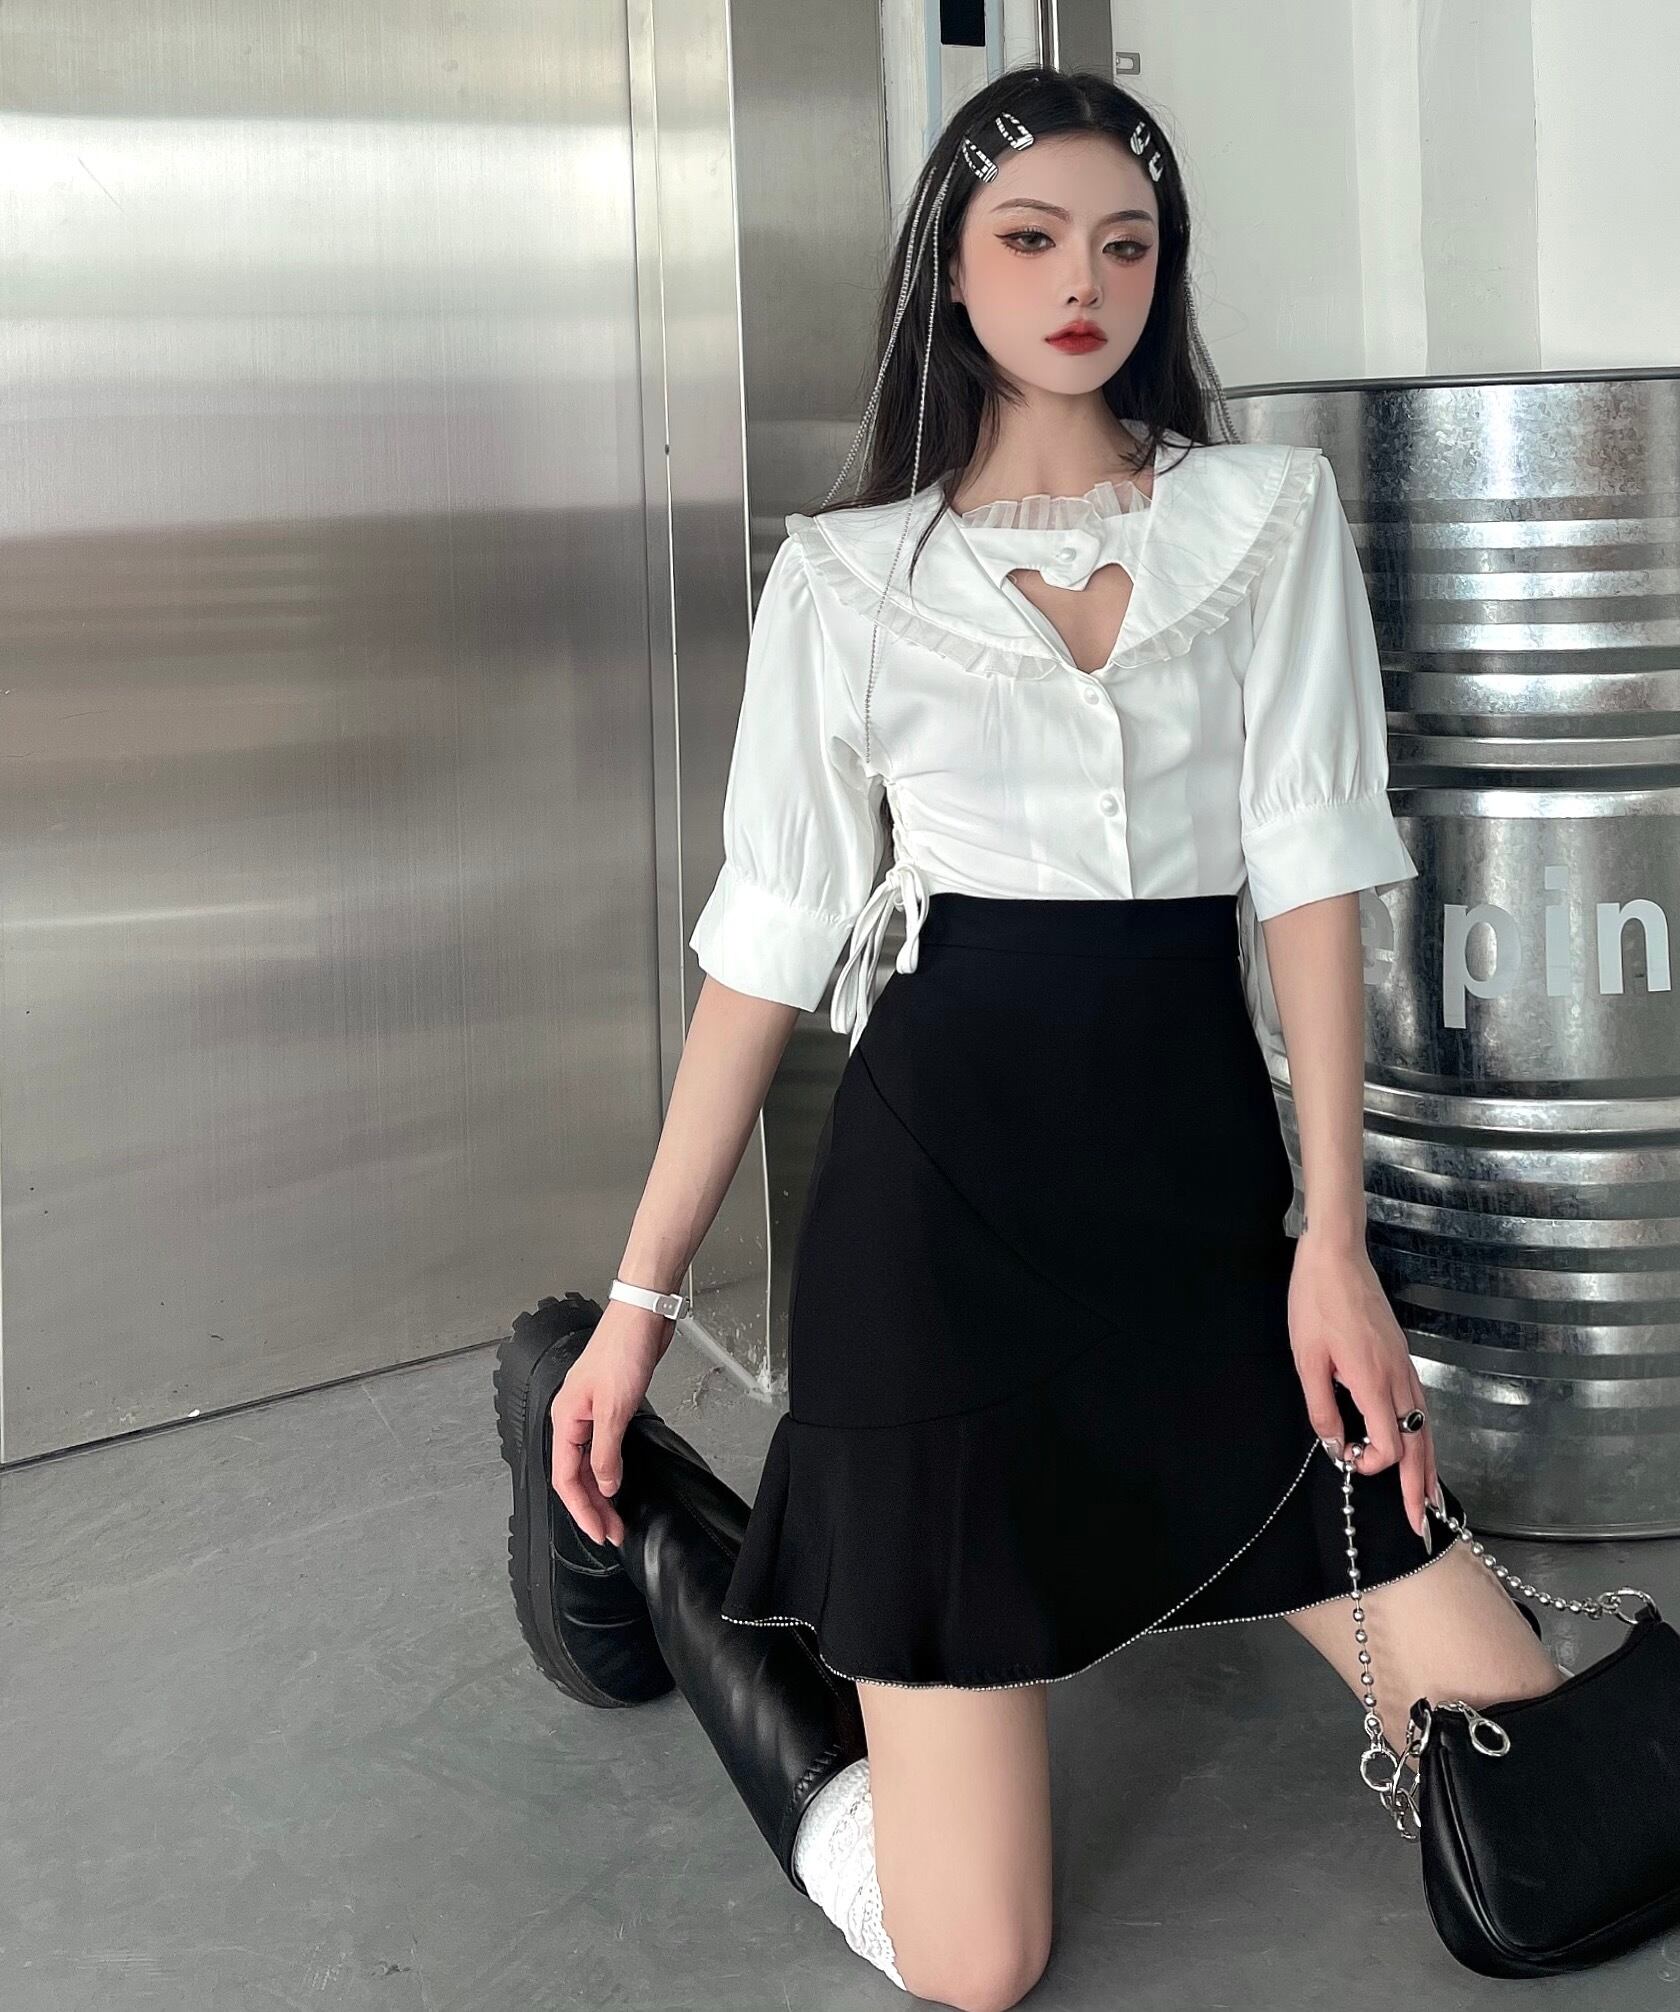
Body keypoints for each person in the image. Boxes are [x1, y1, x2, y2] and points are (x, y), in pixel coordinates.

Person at [493, 63, 1565, 2012]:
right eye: (1033, 236)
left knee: (1529, 1741)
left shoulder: (1262, 520)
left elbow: (1313, 878)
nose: (1085, 282)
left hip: (1200, 1225)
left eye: (1127, 244)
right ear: (950, 267)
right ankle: (668, 1533)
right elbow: (764, 954)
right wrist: (642, 1304)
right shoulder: (849, 578)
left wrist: (1332, 1239)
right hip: (939, 1238)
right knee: (975, 1959)